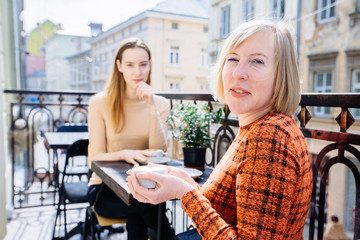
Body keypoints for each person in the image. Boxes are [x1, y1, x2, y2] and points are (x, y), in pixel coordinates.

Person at [127, 19, 313, 239]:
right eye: (232, 59)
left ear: (281, 75)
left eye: (257, 61)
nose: (238, 72)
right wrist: (183, 182)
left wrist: (184, 193)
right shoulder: (258, 126)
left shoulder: (269, 136)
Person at [87, 38, 174, 240]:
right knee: (145, 205)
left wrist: (151, 108)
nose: (138, 72)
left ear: (150, 65)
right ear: (119, 66)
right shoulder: (100, 103)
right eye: (130, 65)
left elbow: (158, 151)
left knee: (139, 211)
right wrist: (126, 154)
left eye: (143, 65)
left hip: (145, 186)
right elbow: (96, 157)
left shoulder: (160, 103)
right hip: (105, 189)